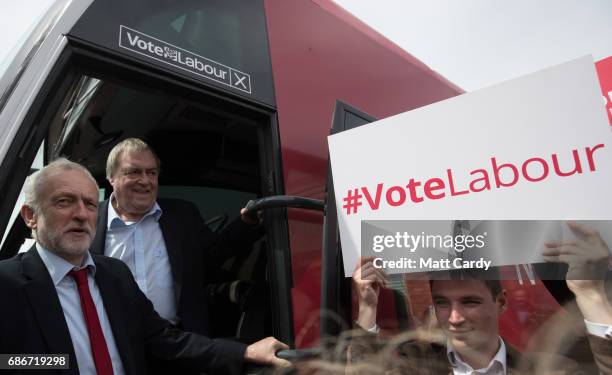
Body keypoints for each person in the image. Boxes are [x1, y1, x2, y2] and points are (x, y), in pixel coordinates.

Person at [0, 158, 289, 375]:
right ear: (30, 216)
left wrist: (244, 351)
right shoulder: (7, 283)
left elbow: (165, 339)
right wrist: (61, 360)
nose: (81, 214)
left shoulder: (114, 274)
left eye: (90, 204)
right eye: (64, 202)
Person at [351, 222, 612, 374]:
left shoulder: (548, 369)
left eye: (469, 302)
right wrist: (367, 307)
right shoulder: (414, 366)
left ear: (501, 303)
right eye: (442, 303)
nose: (454, 318)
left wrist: (591, 294)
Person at [90, 138, 262, 334]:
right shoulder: (89, 222)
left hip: (178, 343)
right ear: (112, 177)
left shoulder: (182, 216)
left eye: (152, 172)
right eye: (134, 172)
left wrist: (246, 223)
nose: (145, 181)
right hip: (116, 345)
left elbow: (214, 255)